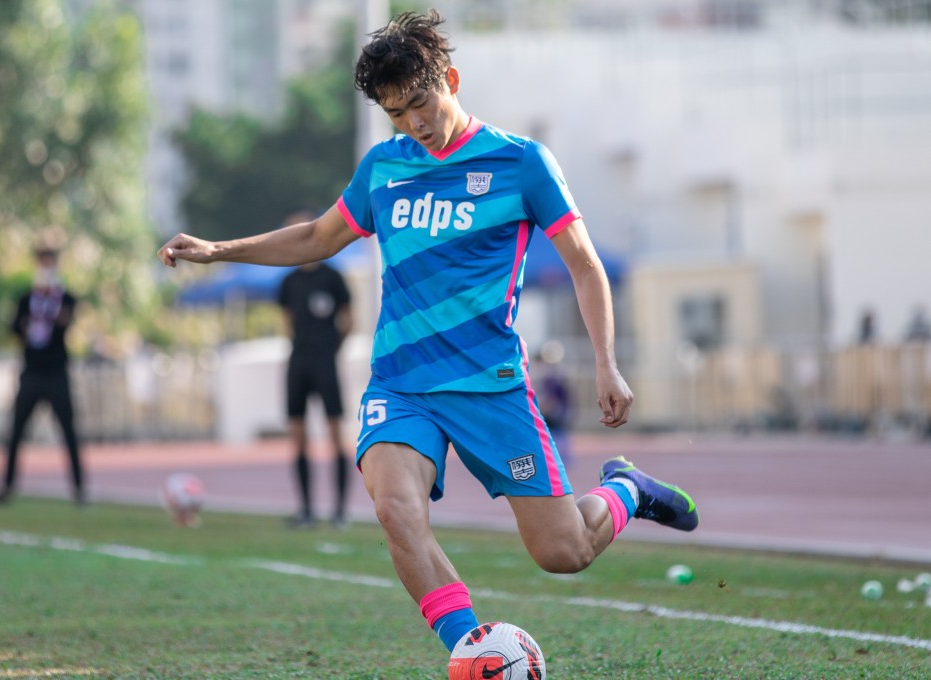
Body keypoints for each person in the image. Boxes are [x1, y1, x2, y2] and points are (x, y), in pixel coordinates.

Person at [157, 10, 697, 655]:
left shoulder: (521, 163)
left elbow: (584, 265)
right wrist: (219, 250)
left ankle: (626, 489)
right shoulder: (384, 167)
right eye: (395, 112)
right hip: (402, 385)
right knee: (395, 509)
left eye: (419, 102)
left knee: (564, 552)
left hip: (489, 387)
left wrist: (606, 362)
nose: (413, 123)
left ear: (452, 79)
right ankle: (473, 649)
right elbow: (317, 238)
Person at [0, 237, 85, 506]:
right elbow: (14, 329)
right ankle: (6, 486)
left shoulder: (65, 298)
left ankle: (79, 488)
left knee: (68, 430)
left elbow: (66, 326)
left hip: (56, 373)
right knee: (16, 431)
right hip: (31, 372)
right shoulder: (25, 298)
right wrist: (26, 324)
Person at [277, 217, 354, 529]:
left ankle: (339, 512)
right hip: (298, 362)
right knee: (298, 436)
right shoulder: (289, 281)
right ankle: (306, 510)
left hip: (326, 361)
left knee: (336, 435)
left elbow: (348, 321)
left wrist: (331, 349)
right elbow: (287, 320)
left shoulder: (333, 278)